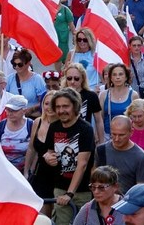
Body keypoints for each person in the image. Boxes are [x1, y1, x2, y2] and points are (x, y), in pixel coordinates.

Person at [40, 88, 94, 225]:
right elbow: (49, 151)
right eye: (58, 106)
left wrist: (70, 194)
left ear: (75, 106)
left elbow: (82, 164)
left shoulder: (85, 128)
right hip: (59, 187)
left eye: (65, 106)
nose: (61, 110)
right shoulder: (54, 127)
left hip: (81, 190)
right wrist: (48, 157)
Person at [93, 116, 144, 192]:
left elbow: (142, 190)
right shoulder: (101, 150)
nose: (117, 139)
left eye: (121, 135)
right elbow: (95, 179)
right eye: (114, 134)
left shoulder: (140, 157)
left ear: (131, 132)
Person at [0, 94, 35, 173]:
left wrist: (28, 171)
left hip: (24, 171)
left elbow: (35, 151)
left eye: (14, 110)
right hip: (4, 171)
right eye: (8, 109)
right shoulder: (0, 125)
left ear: (24, 111)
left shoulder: (31, 125)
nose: (10, 113)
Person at [8, 49, 48, 116]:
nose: (17, 67)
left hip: (31, 116)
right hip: (14, 116)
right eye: (14, 64)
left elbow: (43, 101)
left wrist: (31, 109)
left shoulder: (37, 79)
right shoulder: (9, 79)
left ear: (28, 63)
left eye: (20, 64)